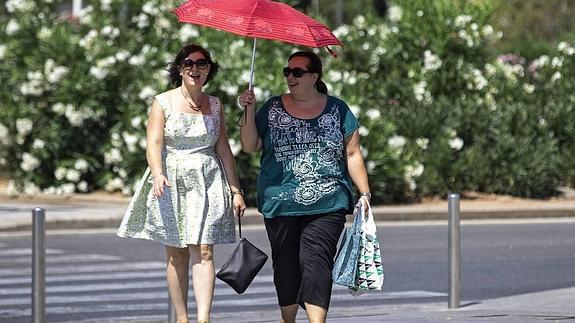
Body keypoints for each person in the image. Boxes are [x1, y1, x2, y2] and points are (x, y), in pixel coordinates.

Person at [238, 51, 371, 323]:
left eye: (297, 72)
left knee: (316, 262)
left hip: (328, 201)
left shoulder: (338, 110)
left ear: (314, 77)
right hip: (280, 201)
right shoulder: (272, 108)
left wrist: (365, 193)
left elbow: (353, 153)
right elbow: (250, 146)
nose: (290, 77)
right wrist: (248, 111)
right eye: (287, 71)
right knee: (286, 266)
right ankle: (287, 320)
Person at [117, 44, 246, 323]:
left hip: (208, 179)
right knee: (177, 254)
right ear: (179, 68)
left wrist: (236, 190)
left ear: (209, 69)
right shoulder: (162, 102)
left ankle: (203, 319)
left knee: (204, 250)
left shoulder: (215, 105)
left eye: (201, 64)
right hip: (172, 178)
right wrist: (158, 171)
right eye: (188, 63)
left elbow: (223, 149)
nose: (194, 69)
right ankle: (182, 318)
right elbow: (154, 142)